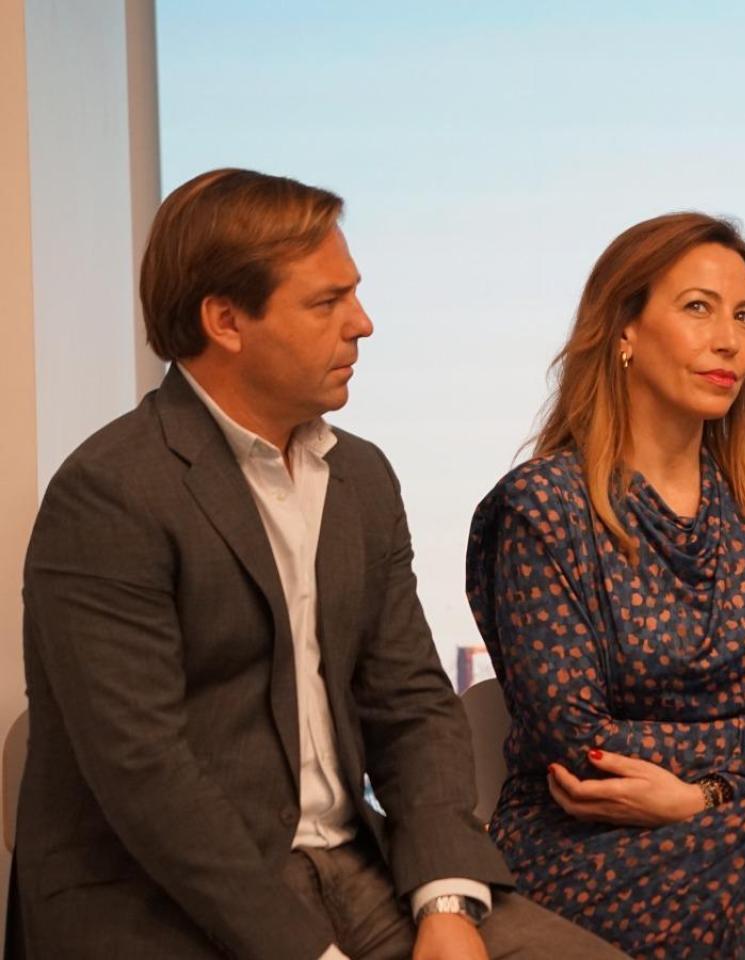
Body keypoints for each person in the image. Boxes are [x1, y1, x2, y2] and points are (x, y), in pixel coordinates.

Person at [17, 169, 623, 959]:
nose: (362, 324)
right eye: (326, 303)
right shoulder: (109, 494)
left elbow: (409, 701)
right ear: (225, 320)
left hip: (357, 867)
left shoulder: (361, 479)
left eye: (354, 295)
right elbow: (146, 776)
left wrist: (445, 901)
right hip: (159, 899)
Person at [464, 212, 745, 960]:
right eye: (697, 308)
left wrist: (702, 794)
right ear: (624, 332)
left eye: (744, 315)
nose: (729, 340)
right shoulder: (542, 507)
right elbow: (581, 749)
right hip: (589, 847)